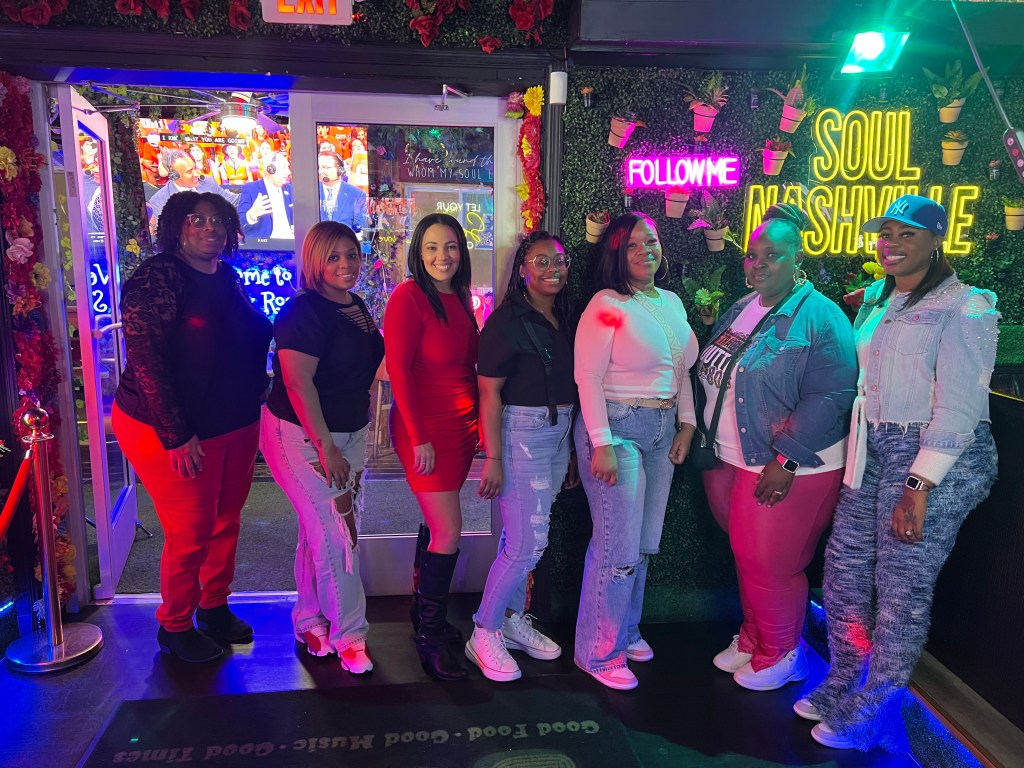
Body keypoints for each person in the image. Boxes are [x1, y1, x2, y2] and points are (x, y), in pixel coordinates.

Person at [801, 195, 999, 752]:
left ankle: (878, 709)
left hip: (935, 455)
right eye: (885, 233)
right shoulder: (878, 300)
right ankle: (846, 678)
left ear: (936, 240)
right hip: (874, 445)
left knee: (900, 586)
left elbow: (961, 406)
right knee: (843, 570)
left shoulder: (967, 306)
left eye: (907, 234)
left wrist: (920, 484)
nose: (891, 243)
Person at [696, 204, 857, 691]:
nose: (759, 262)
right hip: (730, 456)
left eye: (773, 254)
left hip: (788, 465)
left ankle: (784, 652)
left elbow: (830, 395)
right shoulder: (745, 306)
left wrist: (785, 459)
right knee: (749, 558)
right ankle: (755, 636)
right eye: (752, 254)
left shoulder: (821, 316)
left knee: (773, 564)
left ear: (797, 257)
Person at [112, 191, 272, 663]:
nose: (210, 228)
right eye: (196, 219)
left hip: (234, 421)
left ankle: (213, 606)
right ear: (175, 225)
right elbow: (147, 362)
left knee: (226, 519)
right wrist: (176, 434)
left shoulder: (227, 276)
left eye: (218, 219)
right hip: (170, 426)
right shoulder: (157, 278)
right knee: (191, 530)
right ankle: (175, 625)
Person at [573, 212, 698, 691]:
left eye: (651, 241)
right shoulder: (607, 304)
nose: (646, 250)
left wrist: (687, 423)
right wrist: (601, 442)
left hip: (663, 430)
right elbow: (587, 376)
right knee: (617, 549)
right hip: (617, 428)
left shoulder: (671, 301)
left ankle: (625, 632)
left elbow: (682, 371)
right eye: (632, 245)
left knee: (644, 545)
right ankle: (598, 653)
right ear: (617, 254)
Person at [260, 221, 383, 675]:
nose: (345, 264)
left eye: (351, 254)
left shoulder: (355, 306)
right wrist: (325, 445)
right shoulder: (303, 311)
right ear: (314, 261)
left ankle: (310, 618)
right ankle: (350, 634)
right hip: (302, 437)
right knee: (338, 532)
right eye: (333, 257)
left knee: (322, 528)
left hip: (349, 434)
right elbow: (297, 383)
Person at [468, 231, 578, 682]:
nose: (553, 269)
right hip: (522, 434)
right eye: (541, 261)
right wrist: (493, 457)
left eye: (560, 260)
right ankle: (483, 630)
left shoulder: (565, 314)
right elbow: (489, 394)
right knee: (527, 543)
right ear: (522, 269)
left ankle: (510, 619)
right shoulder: (506, 322)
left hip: (559, 431)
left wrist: (571, 447)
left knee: (523, 537)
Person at [384, 212, 479, 681]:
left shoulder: (460, 297)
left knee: (436, 525)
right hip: (424, 430)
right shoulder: (408, 297)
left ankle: (423, 617)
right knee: (449, 530)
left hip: (460, 430)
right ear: (418, 254)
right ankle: (430, 637)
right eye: (432, 248)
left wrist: (479, 427)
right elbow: (398, 371)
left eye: (451, 247)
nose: (443, 256)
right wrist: (418, 435)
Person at [147, 149, 238, 234]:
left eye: (195, 168)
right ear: (174, 176)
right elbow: (170, 235)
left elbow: (233, 200)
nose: (196, 174)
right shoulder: (160, 201)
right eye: (189, 171)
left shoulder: (208, 183)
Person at [237, 151, 294, 241]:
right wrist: (251, 215)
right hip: (265, 246)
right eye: (284, 167)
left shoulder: (291, 189)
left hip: (292, 244)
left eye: (288, 167)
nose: (288, 172)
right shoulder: (251, 189)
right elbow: (240, 224)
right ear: (270, 169)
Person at [318, 151, 368, 231]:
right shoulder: (312, 191)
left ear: (340, 170)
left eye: (325, 167)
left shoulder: (357, 194)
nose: (320, 172)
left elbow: (360, 227)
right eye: (318, 168)